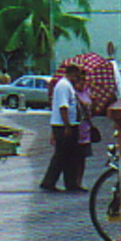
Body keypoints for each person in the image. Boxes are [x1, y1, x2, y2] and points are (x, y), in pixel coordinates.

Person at [40, 62, 81, 193]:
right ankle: (49, 182)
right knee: (61, 155)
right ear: (73, 74)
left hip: (68, 124)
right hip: (64, 125)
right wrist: (67, 125)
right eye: (77, 75)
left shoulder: (68, 86)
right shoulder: (64, 86)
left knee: (70, 155)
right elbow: (63, 107)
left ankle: (71, 183)